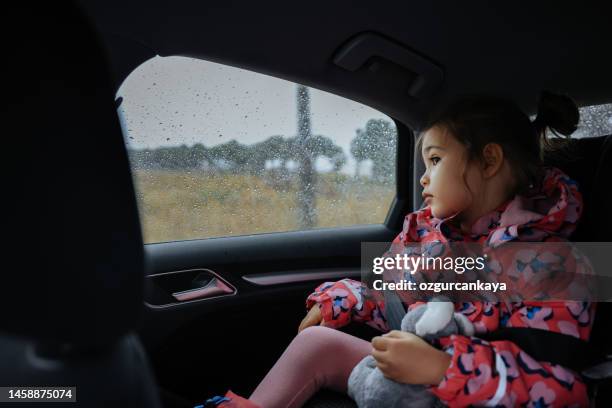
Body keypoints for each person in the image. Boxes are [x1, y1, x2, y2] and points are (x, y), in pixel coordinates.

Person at [201, 91, 595, 408]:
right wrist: (348, 299)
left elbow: (565, 392)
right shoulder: (425, 234)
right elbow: (393, 302)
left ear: (489, 160)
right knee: (314, 343)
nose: (423, 178)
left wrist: (443, 369)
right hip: (410, 380)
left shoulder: (560, 263)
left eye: (435, 160)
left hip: (477, 390)